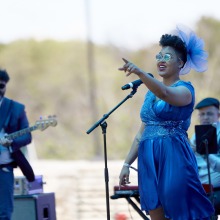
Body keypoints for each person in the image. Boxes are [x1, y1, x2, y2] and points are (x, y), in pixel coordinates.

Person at [118, 24, 215, 220]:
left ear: (180, 63)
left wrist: (140, 73)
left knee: (179, 209)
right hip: (148, 157)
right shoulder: (149, 95)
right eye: (159, 56)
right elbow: (141, 133)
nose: (161, 60)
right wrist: (127, 163)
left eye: (167, 57)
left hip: (173, 155)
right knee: (154, 209)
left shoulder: (185, 90)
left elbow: (165, 93)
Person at [0, 69, 35, 220]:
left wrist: (11, 142)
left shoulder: (15, 108)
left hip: (4, 169)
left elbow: (27, 135)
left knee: (4, 213)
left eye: (1, 86)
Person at [190, 97, 220, 216]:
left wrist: (203, 153)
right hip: (199, 188)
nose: (205, 117)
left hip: (217, 189)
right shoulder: (195, 136)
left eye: (209, 113)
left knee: (202, 206)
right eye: (202, 114)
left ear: (218, 115)